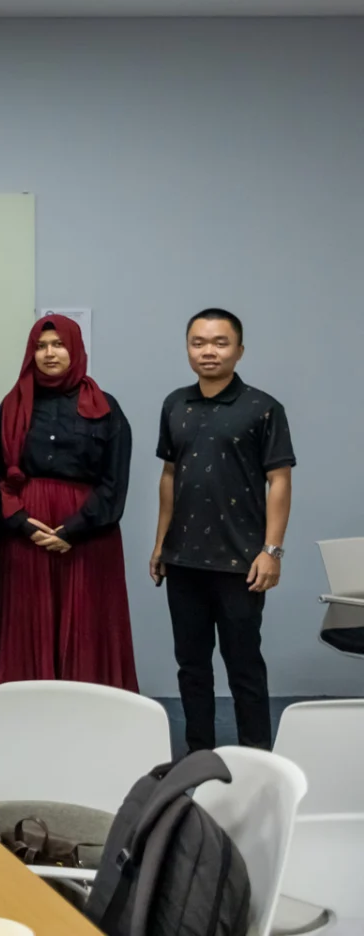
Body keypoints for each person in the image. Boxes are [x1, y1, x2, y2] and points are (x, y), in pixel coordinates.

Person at [152, 308, 295, 753]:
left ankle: (257, 756)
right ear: (188, 348)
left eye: (219, 342)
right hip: (184, 559)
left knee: (243, 665)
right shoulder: (175, 404)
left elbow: (280, 481)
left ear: (239, 350)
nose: (208, 351)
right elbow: (170, 476)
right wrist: (160, 544)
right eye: (198, 342)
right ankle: (199, 753)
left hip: (241, 562)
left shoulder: (263, 408)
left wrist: (272, 550)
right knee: (191, 667)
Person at [0, 315, 136, 692]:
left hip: (87, 538)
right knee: (24, 622)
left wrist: (75, 530)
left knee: (86, 625)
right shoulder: (10, 407)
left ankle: (90, 722)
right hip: (24, 537)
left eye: (58, 344)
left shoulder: (106, 408)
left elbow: (114, 481)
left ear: (76, 349)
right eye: (40, 346)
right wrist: (19, 522)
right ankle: (22, 720)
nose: (49, 353)